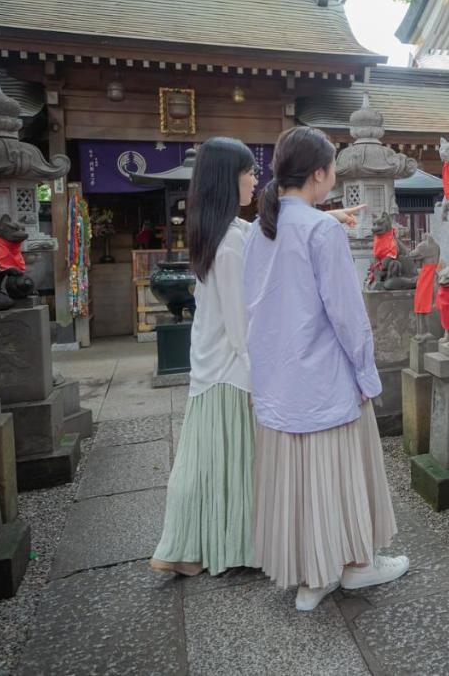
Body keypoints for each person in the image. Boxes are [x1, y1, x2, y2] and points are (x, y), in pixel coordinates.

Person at [244, 126, 407, 611]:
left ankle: (311, 575)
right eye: (332, 166)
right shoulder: (321, 231)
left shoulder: (261, 229)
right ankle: (356, 564)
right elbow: (347, 313)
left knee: (297, 479)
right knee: (339, 472)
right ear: (320, 174)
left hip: (278, 375)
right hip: (323, 375)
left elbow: (253, 303)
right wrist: (367, 373)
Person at [150, 137, 258, 577]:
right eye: (249, 171)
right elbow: (240, 328)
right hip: (231, 372)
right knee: (223, 466)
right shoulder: (230, 244)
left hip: (212, 367)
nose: (256, 179)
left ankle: (183, 548)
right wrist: (261, 379)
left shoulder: (224, 232)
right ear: (227, 179)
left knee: (202, 462)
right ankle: (195, 547)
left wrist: (324, 219)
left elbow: (266, 230)